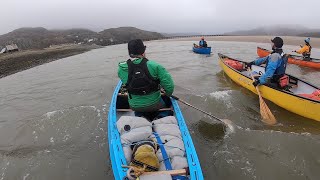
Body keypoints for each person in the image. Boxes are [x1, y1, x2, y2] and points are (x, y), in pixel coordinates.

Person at [118, 39, 174, 119]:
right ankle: (162, 115)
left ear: (130, 53)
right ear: (143, 51)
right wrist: (167, 94)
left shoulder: (121, 69)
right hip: (154, 104)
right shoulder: (155, 66)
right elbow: (170, 87)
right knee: (165, 102)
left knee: (138, 106)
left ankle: (140, 116)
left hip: (134, 106)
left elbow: (126, 83)